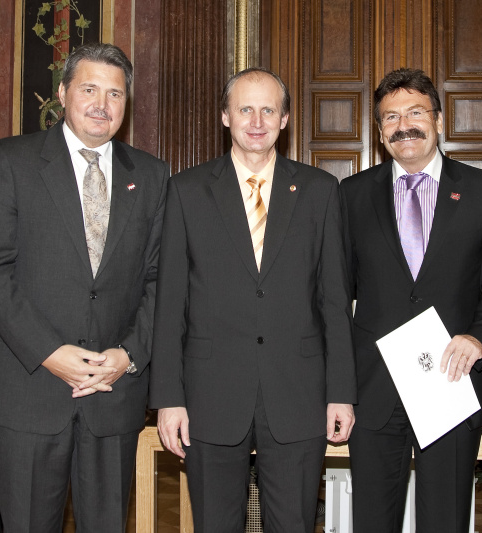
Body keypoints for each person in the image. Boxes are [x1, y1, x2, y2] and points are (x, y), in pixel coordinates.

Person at [0, 42, 169, 532]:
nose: (102, 104)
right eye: (89, 89)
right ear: (62, 93)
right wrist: (49, 352)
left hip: (113, 391)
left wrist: (130, 354)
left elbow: (162, 279)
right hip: (30, 390)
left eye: (115, 94)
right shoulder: (14, 160)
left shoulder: (152, 174)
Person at [150, 67, 356, 533]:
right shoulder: (185, 191)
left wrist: (341, 393)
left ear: (285, 119)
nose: (257, 120)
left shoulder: (320, 191)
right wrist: (168, 397)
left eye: (268, 109)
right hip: (209, 394)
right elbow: (170, 305)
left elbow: (334, 302)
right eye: (246, 108)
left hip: (299, 393)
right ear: (225, 116)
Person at [340, 68, 482, 532]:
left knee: (446, 520)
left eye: (416, 112)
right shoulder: (351, 196)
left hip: (450, 384)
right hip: (373, 390)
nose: (404, 125)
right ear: (379, 132)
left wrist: (481, 339)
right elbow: (334, 297)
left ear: (438, 120)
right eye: (391, 117)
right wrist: (336, 389)